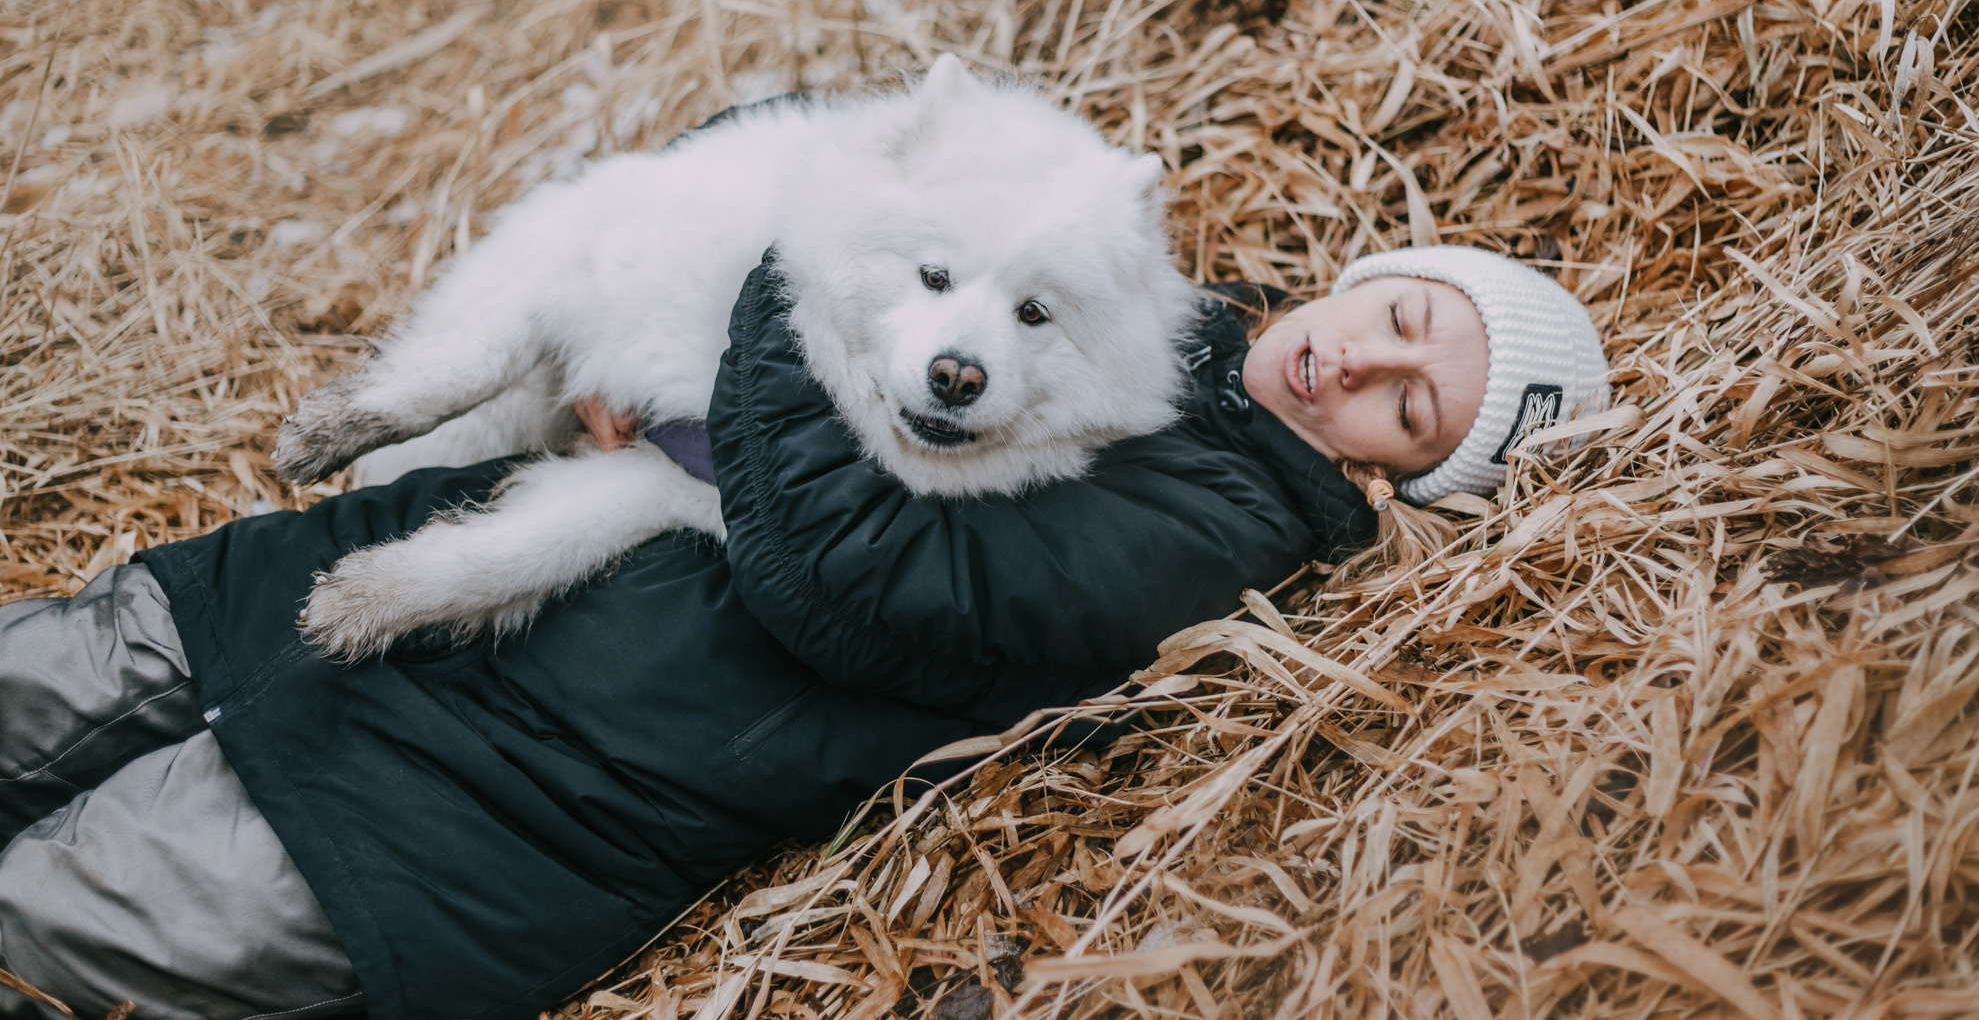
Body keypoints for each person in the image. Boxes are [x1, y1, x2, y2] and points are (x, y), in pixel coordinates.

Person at [0, 245, 1607, 1020]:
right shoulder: (1144, 307)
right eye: (1403, 318)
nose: (1367, 367)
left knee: (36, 936)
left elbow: (847, 574)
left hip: (476, 805)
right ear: (1380, 272)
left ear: (1416, 480)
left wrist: (784, 269)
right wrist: (684, 350)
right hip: (383, 578)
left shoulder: (1209, 541)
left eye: (1417, 410)